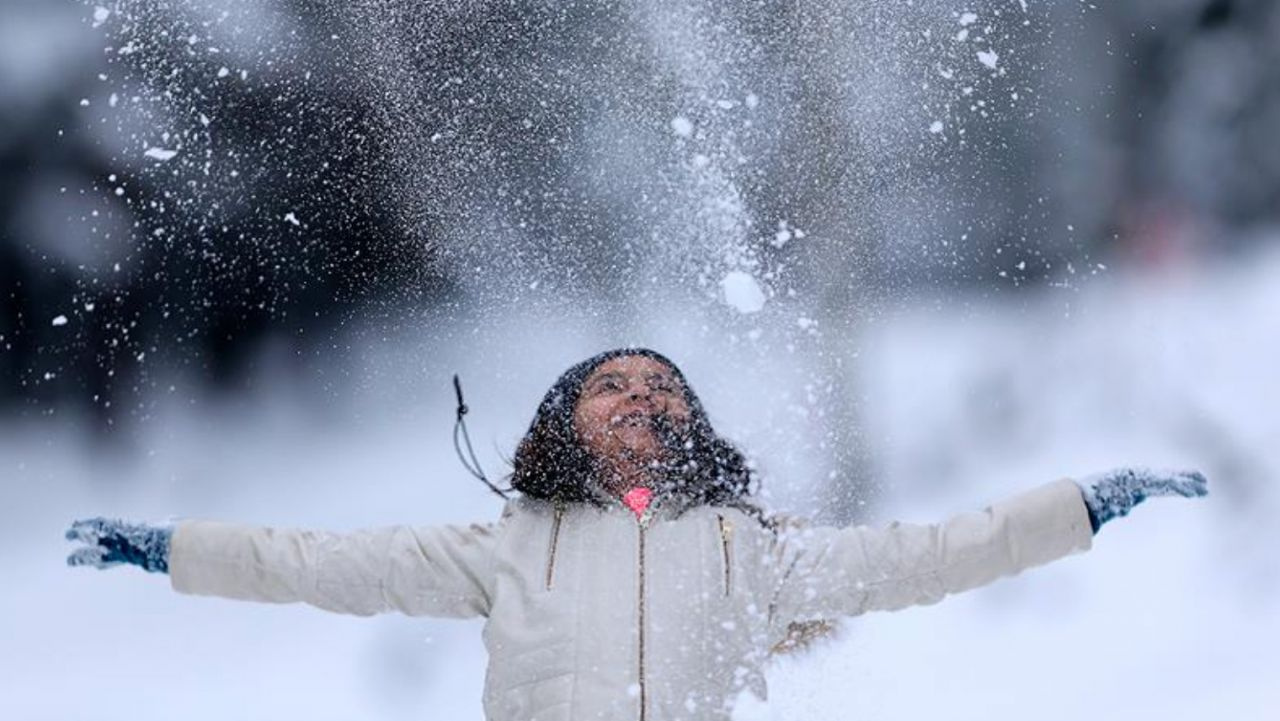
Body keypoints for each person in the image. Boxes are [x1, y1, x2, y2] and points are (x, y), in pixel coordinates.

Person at [66, 347, 1207, 721]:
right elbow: (314, 563)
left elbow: (927, 553)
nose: (641, 397)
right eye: (611, 384)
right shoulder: (505, 546)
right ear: (562, 422)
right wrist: (171, 548)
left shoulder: (746, 550)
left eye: (663, 386)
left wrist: (1080, 506)